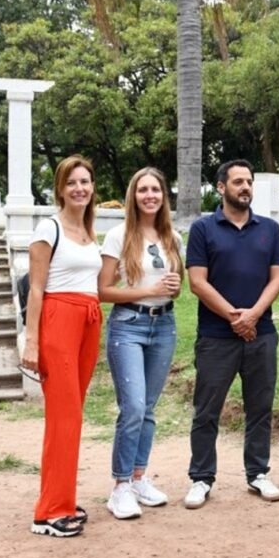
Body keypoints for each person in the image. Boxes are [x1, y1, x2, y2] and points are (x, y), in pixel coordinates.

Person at [183, 159, 279, 509]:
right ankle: (201, 478)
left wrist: (254, 314)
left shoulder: (269, 229)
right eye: (238, 181)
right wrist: (233, 317)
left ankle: (257, 473)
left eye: (249, 181)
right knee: (207, 410)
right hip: (216, 336)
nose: (245, 187)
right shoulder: (203, 228)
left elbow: (277, 278)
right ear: (221, 187)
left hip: (262, 333)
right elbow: (197, 282)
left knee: (260, 407)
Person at [21, 155, 102, 538]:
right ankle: (49, 512)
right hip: (59, 322)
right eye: (72, 182)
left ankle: (63, 499)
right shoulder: (47, 228)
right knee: (64, 417)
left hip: (88, 322)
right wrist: (31, 341)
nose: (79, 188)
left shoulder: (88, 231)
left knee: (73, 415)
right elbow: (36, 289)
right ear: (60, 188)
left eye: (85, 181)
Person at [98, 167, 183, 519]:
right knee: (132, 407)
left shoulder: (172, 237)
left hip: (163, 325)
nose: (150, 195)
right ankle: (119, 487)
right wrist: (148, 290)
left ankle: (138, 477)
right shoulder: (118, 236)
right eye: (143, 190)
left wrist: (173, 289)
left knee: (147, 409)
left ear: (164, 196)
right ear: (133, 195)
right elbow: (102, 291)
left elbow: (175, 282)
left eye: (156, 190)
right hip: (128, 325)